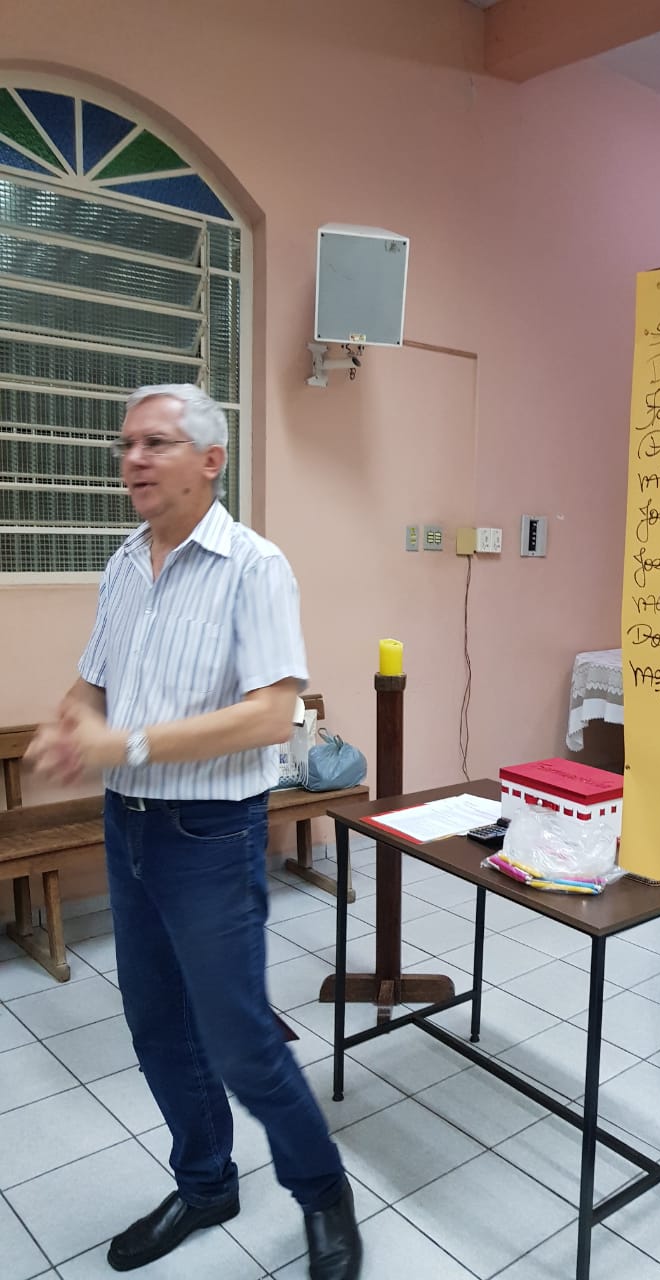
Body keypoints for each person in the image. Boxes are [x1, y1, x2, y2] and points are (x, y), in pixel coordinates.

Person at [26, 384, 361, 1279]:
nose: (132, 459)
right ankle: (207, 1183)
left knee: (241, 1039)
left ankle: (323, 1192)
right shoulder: (123, 562)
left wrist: (127, 742)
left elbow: (272, 715)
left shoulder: (255, 566)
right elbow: (96, 682)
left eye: (155, 443)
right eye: (127, 444)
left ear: (211, 461)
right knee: (156, 1026)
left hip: (210, 833)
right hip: (128, 824)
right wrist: (67, 726)